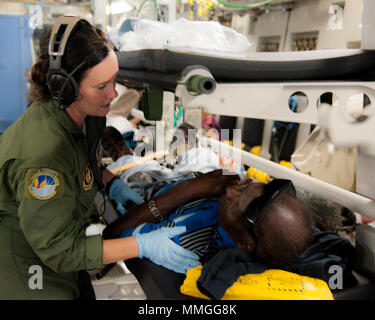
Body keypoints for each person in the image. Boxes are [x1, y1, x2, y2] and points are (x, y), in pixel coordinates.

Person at [0, 16, 207, 300]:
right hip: (30, 263)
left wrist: (111, 183)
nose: (113, 94)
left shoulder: (87, 117)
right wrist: (142, 245)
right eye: (101, 87)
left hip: (61, 237)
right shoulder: (43, 157)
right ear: (65, 88)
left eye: (114, 81)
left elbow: (84, 160)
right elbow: (60, 251)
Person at [103, 174, 314, 268]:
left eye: (236, 201)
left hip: (151, 189)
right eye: (246, 185)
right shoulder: (249, 220)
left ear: (243, 244)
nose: (232, 190)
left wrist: (190, 188)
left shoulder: (183, 238)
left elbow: (112, 235)